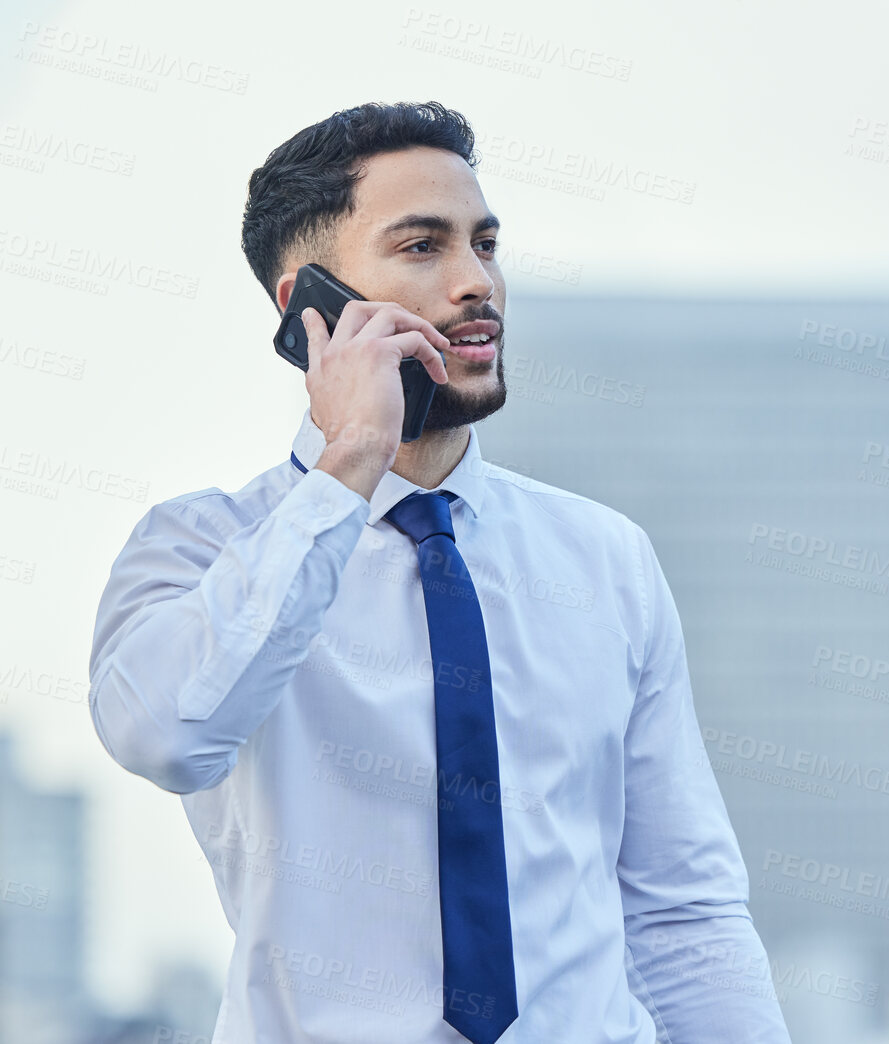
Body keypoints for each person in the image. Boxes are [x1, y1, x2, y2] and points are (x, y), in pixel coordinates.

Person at [86, 101, 791, 1043]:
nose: (476, 284)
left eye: (486, 244)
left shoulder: (605, 558)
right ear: (309, 307)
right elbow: (167, 734)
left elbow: (685, 912)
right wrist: (353, 459)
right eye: (422, 247)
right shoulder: (203, 550)